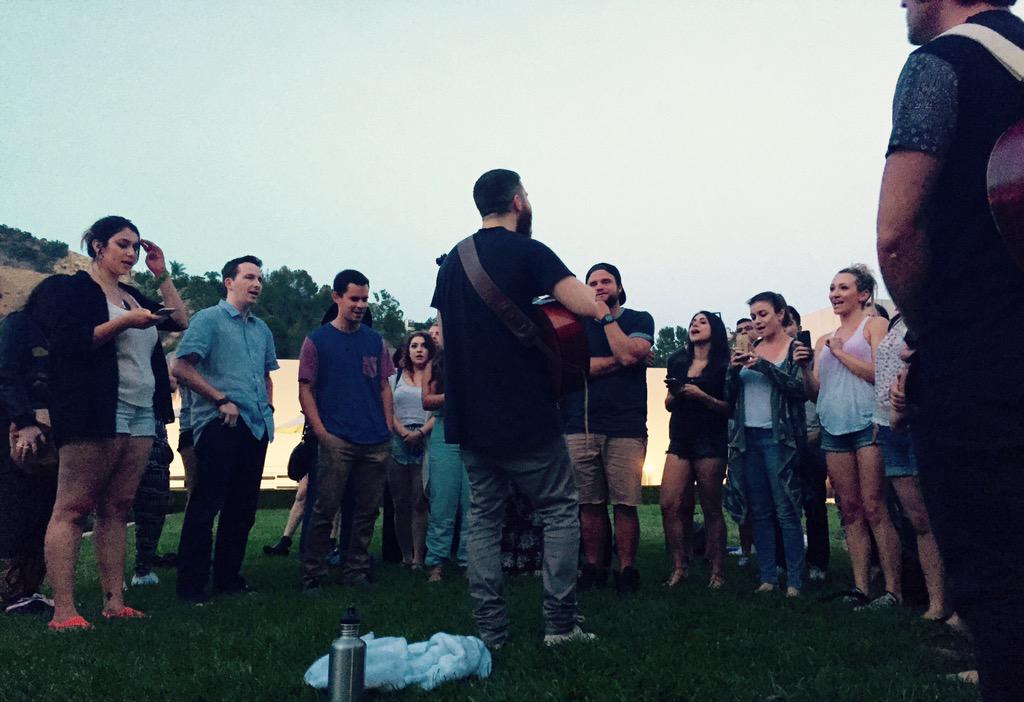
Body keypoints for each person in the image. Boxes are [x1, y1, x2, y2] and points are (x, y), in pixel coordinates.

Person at [876, 3, 1024, 694]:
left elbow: (896, 237)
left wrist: (931, 329)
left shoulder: (940, 65)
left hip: (983, 369)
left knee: (1000, 590)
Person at [431, 168, 602, 647]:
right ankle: (560, 625)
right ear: (518, 202)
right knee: (559, 511)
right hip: (525, 412)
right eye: (526, 194)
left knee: (485, 518)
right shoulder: (531, 251)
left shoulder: (453, 263)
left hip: (470, 416)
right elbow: (584, 304)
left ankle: (491, 633)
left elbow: (444, 333)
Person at [33, 215, 187, 628]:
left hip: (140, 410)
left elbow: (180, 322)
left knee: (118, 508)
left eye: (136, 247)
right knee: (74, 507)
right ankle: (64, 610)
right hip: (94, 408)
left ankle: (114, 602)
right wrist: (121, 323)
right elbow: (68, 344)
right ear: (98, 246)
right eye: (123, 244)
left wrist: (162, 274)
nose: (131, 254)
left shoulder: (135, 295)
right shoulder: (74, 291)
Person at [173, 255, 277, 604]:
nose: (257, 284)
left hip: (255, 426)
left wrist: (269, 409)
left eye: (260, 278)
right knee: (206, 505)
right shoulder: (209, 320)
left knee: (243, 510)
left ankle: (229, 580)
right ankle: (191, 587)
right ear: (228, 282)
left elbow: (266, 374)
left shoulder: (261, 329)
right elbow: (181, 368)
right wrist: (220, 399)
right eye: (249, 277)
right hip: (221, 424)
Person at [797, 266, 901, 609]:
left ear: (863, 294)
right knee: (850, 510)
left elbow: (883, 375)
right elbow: (816, 392)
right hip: (834, 430)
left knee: (875, 507)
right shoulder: (824, 340)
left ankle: (892, 590)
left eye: (844, 287)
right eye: (831, 287)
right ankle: (860, 589)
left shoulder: (875, 326)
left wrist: (842, 355)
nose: (835, 293)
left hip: (867, 425)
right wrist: (803, 367)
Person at [299, 269, 395, 591]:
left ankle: (356, 569)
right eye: (354, 298)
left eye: (365, 299)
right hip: (337, 437)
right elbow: (305, 389)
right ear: (336, 297)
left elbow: (384, 386)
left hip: (375, 439)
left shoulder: (375, 341)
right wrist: (322, 433)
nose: (360, 305)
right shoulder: (316, 341)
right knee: (325, 508)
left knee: (367, 510)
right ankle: (313, 573)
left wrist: (387, 425)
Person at [562, 263, 653, 595]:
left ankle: (627, 569)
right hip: (580, 424)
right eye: (592, 283)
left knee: (625, 503)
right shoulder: (574, 326)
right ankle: (593, 567)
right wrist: (626, 357)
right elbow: (574, 368)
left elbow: (632, 354)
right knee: (589, 503)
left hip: (626, 426)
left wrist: (606, 319)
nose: (599, 287)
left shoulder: (639, 319)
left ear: (619, 285)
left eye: (605, 281)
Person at [723, 292, 806, 597]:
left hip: (779, 438)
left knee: (786, 509)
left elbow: (800, 389)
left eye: (763, 314)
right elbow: (729, 397)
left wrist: (764, 367)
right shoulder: (751, 348)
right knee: (758, 510)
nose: (757, 322)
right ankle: (768, 576)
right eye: (754, 316)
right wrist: (732, 370)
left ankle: (796, 579)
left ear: (781, 314)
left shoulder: (794, 347)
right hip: (748, 438)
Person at [874, 314, 949, 620]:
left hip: (924, 423)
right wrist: (885, 417)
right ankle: (936, 603)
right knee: (918, 519)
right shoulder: (896, 320)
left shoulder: (936, 311)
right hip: (892, 427)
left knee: (942, 516)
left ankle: (961, 606)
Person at [660, 311, 731, 589]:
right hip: (680, 437)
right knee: (669, 504)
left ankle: (717, 571)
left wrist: (701, 396)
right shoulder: (677, 360)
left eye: (702, 322)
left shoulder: (724, 364)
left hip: (710, 439)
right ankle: (680, 566)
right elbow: (667, 403)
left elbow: (729, 409)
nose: (695, 326)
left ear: (714, 329)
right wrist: (677, 393)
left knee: (711, 506)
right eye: (692, 322)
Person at [0, 286, 58, 616]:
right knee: (14, 505)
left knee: (42, 505)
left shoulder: (57, 334)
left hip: (46, 432)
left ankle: (29, 589)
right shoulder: (18, 324)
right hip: (14, 426)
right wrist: (23, 420)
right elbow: (7, 375)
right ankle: (8, 592)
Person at [783, 306, 830, 581]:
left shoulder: (812, 359)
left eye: (790, 324)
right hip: (784, 440)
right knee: (785, 505)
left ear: (798, 327)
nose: (787, 330)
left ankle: (818, 563)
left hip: (812, 438)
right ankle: (786, 560)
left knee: (814, 503)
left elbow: (820, 395)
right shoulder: (772, 355)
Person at [421, 337, 471, 582]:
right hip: (444, 434)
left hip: (475, 435)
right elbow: (427, 400)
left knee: (473, 505)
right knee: (443, 503)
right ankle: (436, 562)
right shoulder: (435, 364)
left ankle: (468, 561)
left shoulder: (477, 357)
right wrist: (454, 396)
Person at [386, 331, 436, 568]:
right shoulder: (394, 378)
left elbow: (439, 411)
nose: (418, 350)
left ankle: (419, 557)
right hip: (398, 439)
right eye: (414, 345)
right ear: (407, 350)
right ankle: (405, 556)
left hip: (425, 439)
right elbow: (387, 409)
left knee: (420, 501)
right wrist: (403, 432)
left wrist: (421, 432)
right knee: (400, 503)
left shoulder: (436, 378)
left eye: (423, 346)